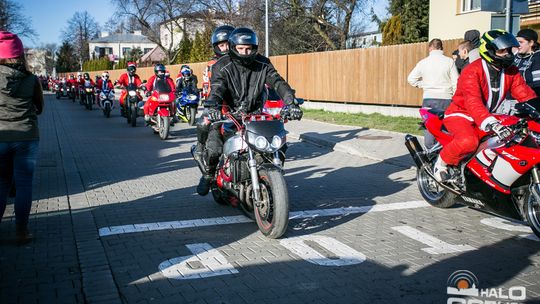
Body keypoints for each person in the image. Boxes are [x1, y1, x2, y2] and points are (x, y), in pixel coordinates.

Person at [196, 27, 303, 195]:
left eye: (249, 48)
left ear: (254, 48)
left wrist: (291, 103)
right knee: (215, 148)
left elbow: (277, 82)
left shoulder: (263, 63)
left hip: (255, 114)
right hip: (228, 113)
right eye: (240, 49)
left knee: (278, 143)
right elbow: (217, 88)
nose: (245, 52)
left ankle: (272, 177)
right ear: (233, 47)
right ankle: (208, 175)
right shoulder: (222, 66)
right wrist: (212, 107)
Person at [433, 29, 537, 182]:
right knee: (468, 142)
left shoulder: (511, 71)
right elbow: (472, 101)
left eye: (509, 50)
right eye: (502, 50)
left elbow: (525, 94)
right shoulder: (471, 70)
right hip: (462, 114)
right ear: (489, 50)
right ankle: (441, 163)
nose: (508, 54)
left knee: (517, 137)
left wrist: (537, 109)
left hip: (489, 115)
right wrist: (491, 123)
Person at [0, 31, 44, 244]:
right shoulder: (31, 79)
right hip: (26, 137)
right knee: (24, 185)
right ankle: (21, 231)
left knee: (1, 184)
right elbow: (40, 107)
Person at [193, 25, 235, 166]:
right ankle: (200, 149)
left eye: (228, 44)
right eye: (221, 45)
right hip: (218, 108)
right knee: (214, 150)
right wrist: (212, 107)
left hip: (239, 110)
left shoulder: (243, 62)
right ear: (216, 47)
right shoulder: (212, 65)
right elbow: (211, 88)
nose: (225, 48)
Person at [407, 38, 458, 148]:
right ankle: (446, 154)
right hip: (446, 99)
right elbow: (456, 82)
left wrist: (423, 85)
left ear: (430, 48)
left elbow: (411, 79)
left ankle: (430, 150)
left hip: (429, 99)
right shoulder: (449, 62)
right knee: (446, 128)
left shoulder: (423, 63)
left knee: (430, 128)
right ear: (441, 48)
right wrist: (453, 96)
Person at [514, 29, 540, 96]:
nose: (518, 45)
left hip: (528, 99)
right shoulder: (515, 56)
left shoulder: (537, 58)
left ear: (531, 43)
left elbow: (538, 86)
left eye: (521, 42)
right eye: (516, 42)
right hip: (509, 98)